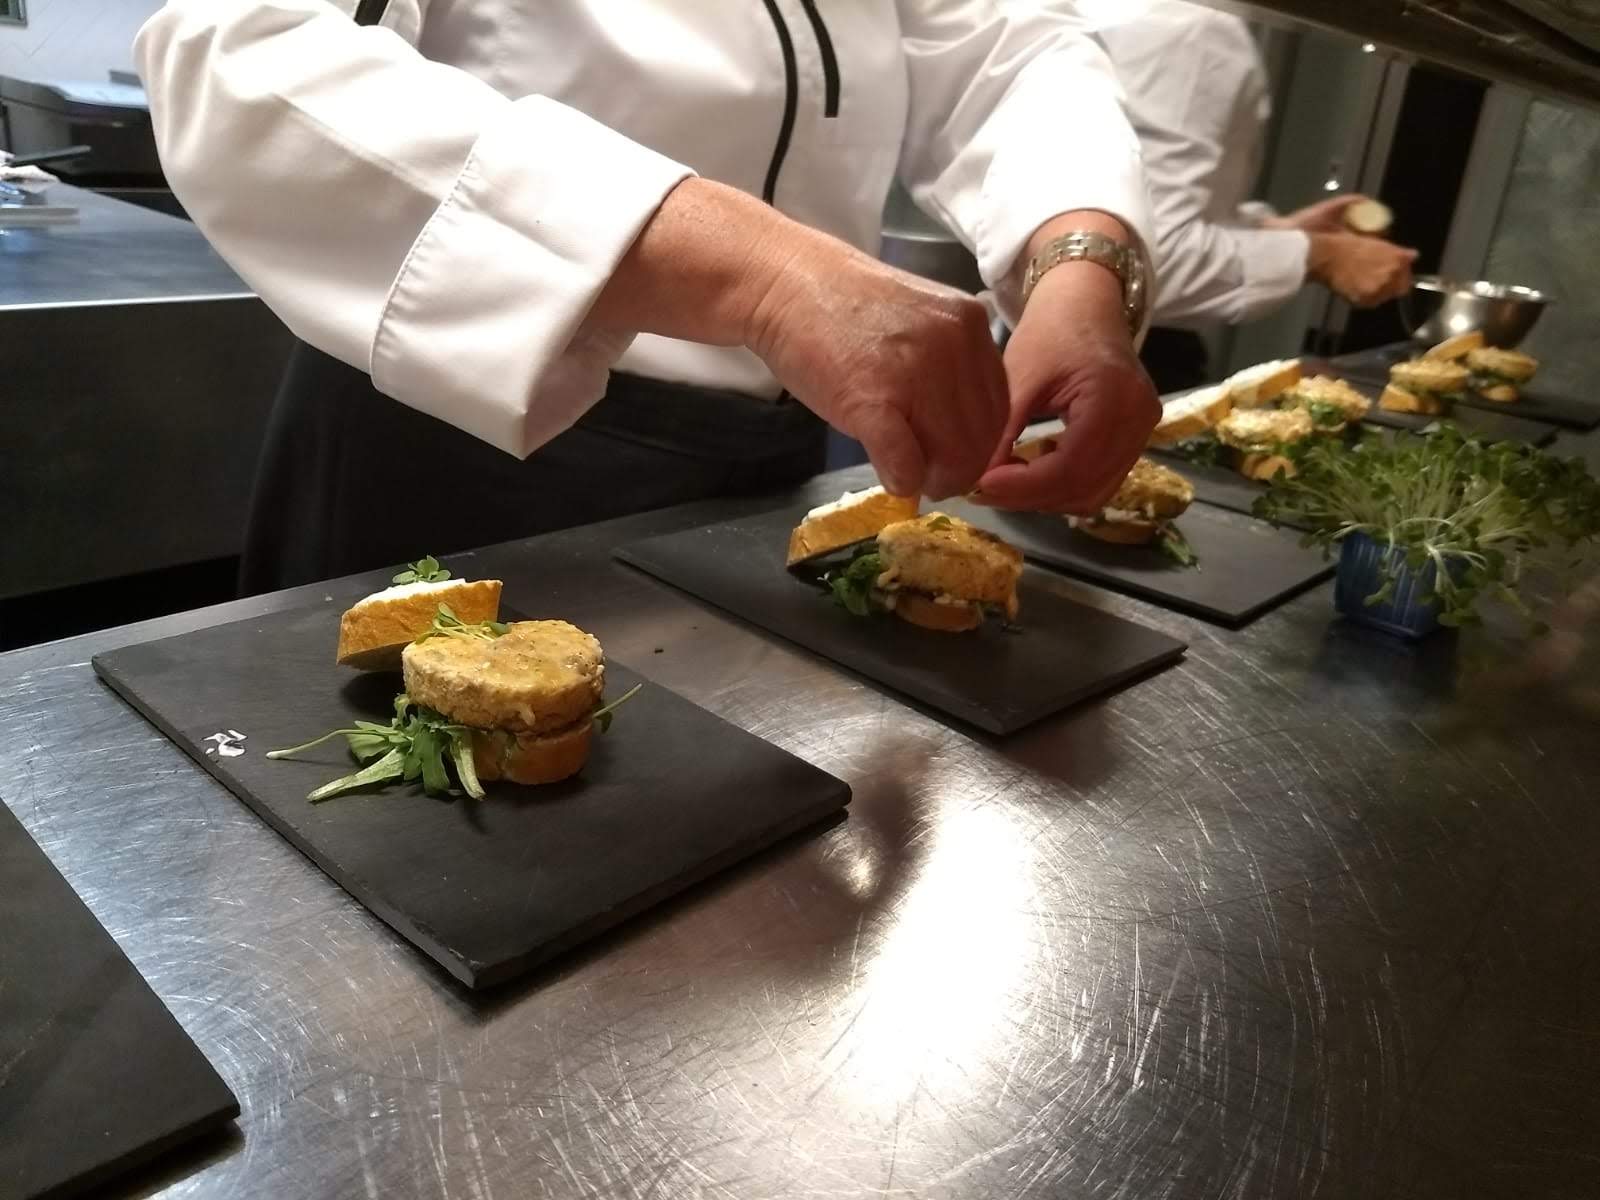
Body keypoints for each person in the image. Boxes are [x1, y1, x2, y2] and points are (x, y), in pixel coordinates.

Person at [135, 1, 1164, 592]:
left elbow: (1005, 51)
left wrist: (1080, 264)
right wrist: (759, 270)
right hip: (466, 447)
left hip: (768, 462)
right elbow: (241, 52)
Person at [1076, 0, 1418, 392]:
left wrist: (1275, 231)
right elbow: (1138, 261)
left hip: (1094, 340)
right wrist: (1319, 255)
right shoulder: (1191, 30)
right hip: (1109, 353)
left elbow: (1124, 209)